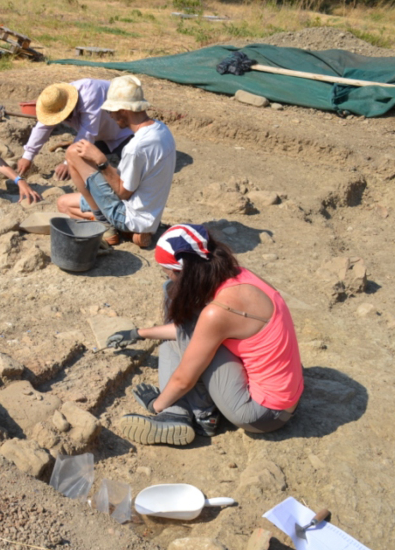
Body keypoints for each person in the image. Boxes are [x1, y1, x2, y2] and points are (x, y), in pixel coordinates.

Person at [107, 224, 304, 446]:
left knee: (180, 324)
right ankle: (185, 413)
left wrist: (157, 404)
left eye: (168, 272)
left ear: (185, 272)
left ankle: (189, 413)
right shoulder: (239, 275)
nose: (169, 277)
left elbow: (183, 378)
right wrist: (139, 333)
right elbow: (184, 332)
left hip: (262, 414)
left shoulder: (218, 313)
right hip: (286, 397)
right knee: (177, 324)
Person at [55, 75, 176, 248]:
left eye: (111, 111)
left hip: (128, 215)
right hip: (150, 214)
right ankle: (131, 233)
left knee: (73, 152)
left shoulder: (137, 147)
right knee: (64, 204)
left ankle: (107, 227)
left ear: (124, 110)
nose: (110, 116)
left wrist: (101, 161)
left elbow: (123, 192)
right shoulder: (161, 130)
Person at [16, 78, 135, 180]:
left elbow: (87, 133)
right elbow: (42, 127)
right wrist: (27, 156)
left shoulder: (90, 94)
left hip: (123, 132)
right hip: (100, 136)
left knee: (129, 168)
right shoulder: (56, 101)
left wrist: (68, 162)